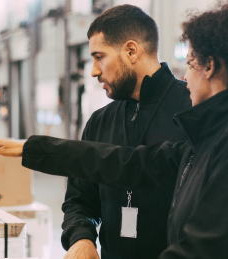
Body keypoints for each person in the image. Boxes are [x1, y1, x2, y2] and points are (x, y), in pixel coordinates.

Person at [0, 0, 228, 258]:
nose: (185, 76)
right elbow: (127, 163)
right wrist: (35, 149)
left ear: (209, 66)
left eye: (191, 63)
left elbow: (201, 249)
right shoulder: (214, 136)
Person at [58, 4, 191, 259]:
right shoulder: (100, 122)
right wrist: (81, 237)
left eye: (99, 57)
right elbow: (79, 199)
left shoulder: (191, 112)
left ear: (131, 51)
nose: (94, 71)